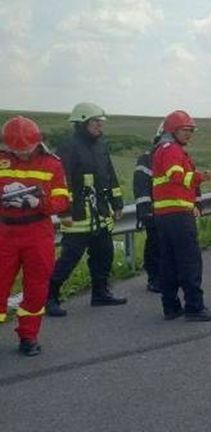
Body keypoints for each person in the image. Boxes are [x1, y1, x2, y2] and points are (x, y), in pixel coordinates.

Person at [47, 102, 127, 317]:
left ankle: (100, 293)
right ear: (82, 123)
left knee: (104, 253)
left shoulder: (101, 145)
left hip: (100, 212)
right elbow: (61, 182)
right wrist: (65, 211)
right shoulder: (68, 147)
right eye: (95, 122)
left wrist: (117, 203)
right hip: (77, 214)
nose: (100, 126)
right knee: (70, 258)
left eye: (101, 122)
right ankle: (50, 297)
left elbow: (110, 175)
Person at [0, 116, 70, 356]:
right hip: (4, 232)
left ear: (38, 142)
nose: (22, 154)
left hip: (37, 232)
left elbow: (62, 201)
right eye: (16, 150)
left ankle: (28, 336)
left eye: (27, 149)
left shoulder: (52, 164)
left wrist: (38, 202)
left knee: (36, 288)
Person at [152, 110, 211, 321]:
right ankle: (195, 307)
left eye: (191, 130)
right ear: (173, 130)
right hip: (179, 214)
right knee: (190, 262)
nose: (189, 134)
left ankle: (171, 307)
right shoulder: (172, 150)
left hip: (164, 215)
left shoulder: (163, 149)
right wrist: (201, 177)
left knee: (169, 263)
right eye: (185, 130)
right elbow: (175, 175)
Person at [133, 122, 164, 292]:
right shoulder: (147, 159)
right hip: (153, 211)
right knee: (155, 245)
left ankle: (167, 277)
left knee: (168, 246)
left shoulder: (177, 155)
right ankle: (154, 278)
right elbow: (141, 186)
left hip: (171, 212)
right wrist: (145, 211)